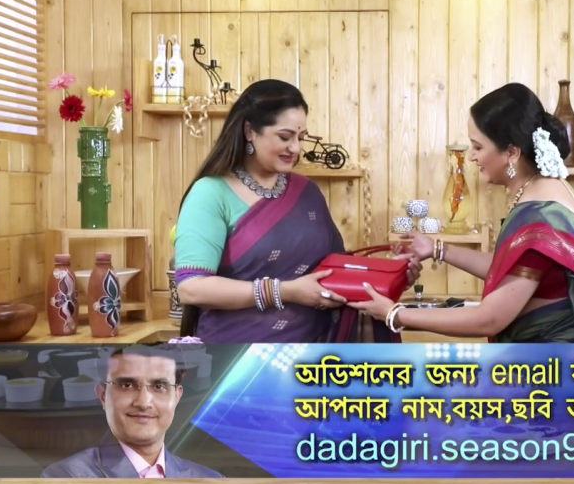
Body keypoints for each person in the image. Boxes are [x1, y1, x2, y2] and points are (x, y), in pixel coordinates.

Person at [350, 83, 574, 343]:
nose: (473, 156)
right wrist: (437, 248)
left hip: (549, 374)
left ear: (511, 152)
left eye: (478, 146)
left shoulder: (539, 215)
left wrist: (394, 314)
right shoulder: (549, 190)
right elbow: (512, 271)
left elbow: (489, 318)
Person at [173, 79, 422, 343]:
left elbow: (334, 271)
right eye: (284, 137)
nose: (295, 148)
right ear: (249, 131)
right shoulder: (210, 193)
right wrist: (284, 292)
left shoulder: (306, 191)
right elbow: (192, 288)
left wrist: (389, 276)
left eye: (300, 138)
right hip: (238, 360)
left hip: (317, 359)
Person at [41, 346, 222, 478]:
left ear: (176, 397)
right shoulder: (65, 478)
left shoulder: (212, 481)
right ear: (103, 396)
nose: (143, 402)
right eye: (127, 385)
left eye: (159, 386)